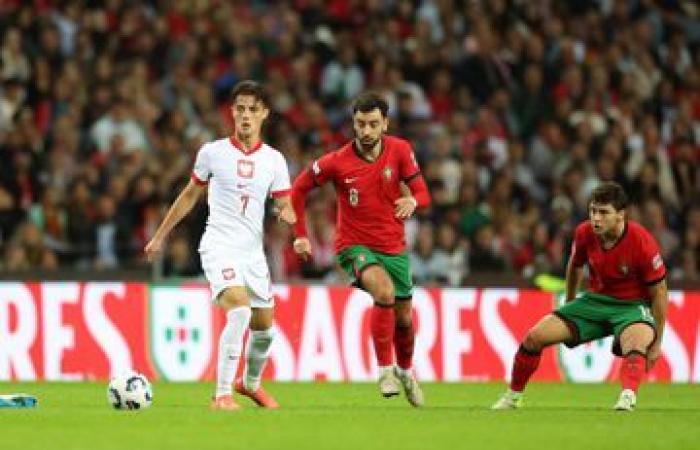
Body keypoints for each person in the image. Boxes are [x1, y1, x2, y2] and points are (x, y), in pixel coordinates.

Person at [144, 80, 295, 410]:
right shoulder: (212, 152)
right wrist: (160, 236)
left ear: (264, 114)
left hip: (253, 254)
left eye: (252, 110)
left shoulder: (274, 160)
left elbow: (286, 204)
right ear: (232, 112)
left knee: (265, 331)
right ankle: (222, 394)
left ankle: (249, 384)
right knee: (239, 311)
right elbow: (189, 196)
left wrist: (288, 217)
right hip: (218, 246)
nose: (245, 115)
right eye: (240, 108)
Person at [290, 92, 431, 407]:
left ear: (385, 124)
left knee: (404, 319)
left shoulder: (401, 150)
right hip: (354, 246)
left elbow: (423, 193)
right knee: (383, 292)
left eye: (373, 124)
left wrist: (413, 200)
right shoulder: (337, 161)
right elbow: (298, 188)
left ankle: (406, 372)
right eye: (360, 124)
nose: (366, 131)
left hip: (394, 248)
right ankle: (384, 371)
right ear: (353, 124)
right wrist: (300, 234)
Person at [492, 182, 668, 411]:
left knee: (635, 343)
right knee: (534, 338)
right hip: (594, 302)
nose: (596, 218)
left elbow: (660, 293)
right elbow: (575, 266)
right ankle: (513, 397)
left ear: (621, 215)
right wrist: (570, 304)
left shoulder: (642, 241)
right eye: (593, 211)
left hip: (632, 307)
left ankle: (627, 397)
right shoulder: (584, 232)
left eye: (604, 212)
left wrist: (657, 342)